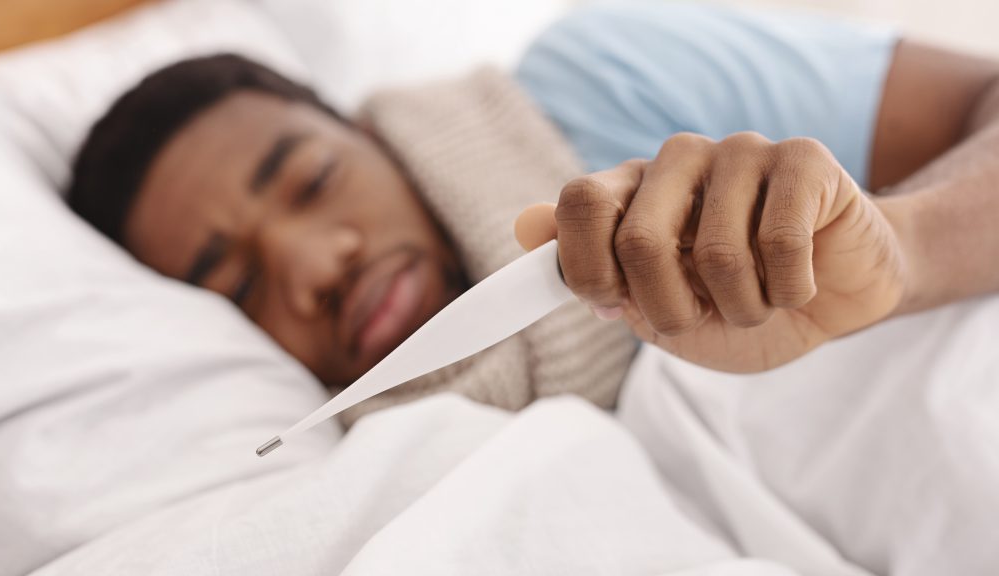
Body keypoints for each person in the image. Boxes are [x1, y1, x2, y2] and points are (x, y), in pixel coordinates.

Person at [62, 3, 999, 572]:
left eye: (312, 180)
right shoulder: (375, 483)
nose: (315, 266)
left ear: (373, 133)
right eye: (240, 285)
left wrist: (905, 251)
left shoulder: (603, 76)